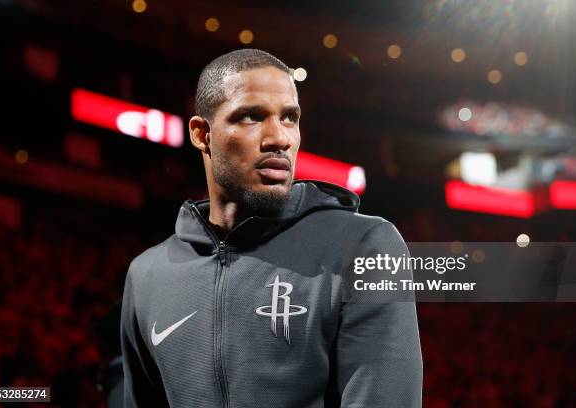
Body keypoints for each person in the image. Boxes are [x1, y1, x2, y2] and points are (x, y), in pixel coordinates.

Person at [121, 48, 423, 407]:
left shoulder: (365, 246)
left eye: (290, 117)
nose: (280, 138)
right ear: (203, 134)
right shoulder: (146, 277)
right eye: (252, 116)